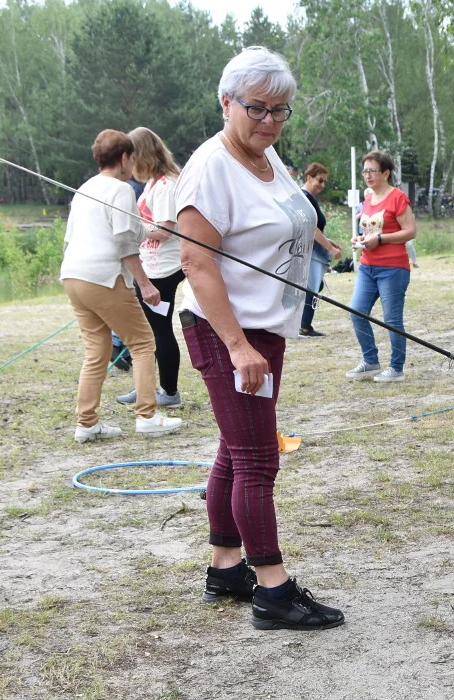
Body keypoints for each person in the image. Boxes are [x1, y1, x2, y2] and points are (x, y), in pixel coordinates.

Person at [177, 46, 344, 631]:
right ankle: (273, 591)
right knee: (256, 458)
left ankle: (226, 568)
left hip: (265, 325)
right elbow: (197, 262)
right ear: (226, 103)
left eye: (281, 110)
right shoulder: (210, 166)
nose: (270, 120)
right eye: (258, 108)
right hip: (229, 330)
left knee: (233, 447)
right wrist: (237, 348)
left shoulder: (269, 160)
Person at [61, 129, 184, 443]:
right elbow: (123, 242)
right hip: (103, 276)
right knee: (143, 343)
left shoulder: (85, 188)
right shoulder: (121, 190)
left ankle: (86, 423)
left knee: (96, 351)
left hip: (73, 276)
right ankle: (147, 415)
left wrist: (146, 231)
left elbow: (77, 237)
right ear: (125, 158)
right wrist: (144, 284)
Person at [116, 127, 186, 408]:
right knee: (147, 332)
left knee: (160, 330)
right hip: (150, 266)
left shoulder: (167, 185)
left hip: (163, 270)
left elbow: (166, 229)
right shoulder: (153, 184)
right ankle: (145, 386)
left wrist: (133, 227)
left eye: (132, 156)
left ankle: (169, 392)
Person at [345, 150, 416, 382]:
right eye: (365, 171)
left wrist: (382, 239)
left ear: (386, 173)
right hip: (368, 266)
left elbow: (410, 231)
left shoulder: (397, 197)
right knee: (357, 312)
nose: (367, 175)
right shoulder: (368, 200)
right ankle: (370, 361)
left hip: (393, 268)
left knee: (392, 320)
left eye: (372, 171)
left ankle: (396, 368)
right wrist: (360, 239)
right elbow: (369, 229)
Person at [298, 161, 343, 337]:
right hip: (311, 252)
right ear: (309, 177)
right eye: (319, 180)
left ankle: (303, 323)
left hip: (312, 249)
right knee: (312, 287)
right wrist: (331, 249)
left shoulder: (307, 199)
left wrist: (329, 242)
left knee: (315, 287)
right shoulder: (305, 197)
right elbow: (311, 228)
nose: (322, 185)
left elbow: (313, 229)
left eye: (325, 181)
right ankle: (304, 326)